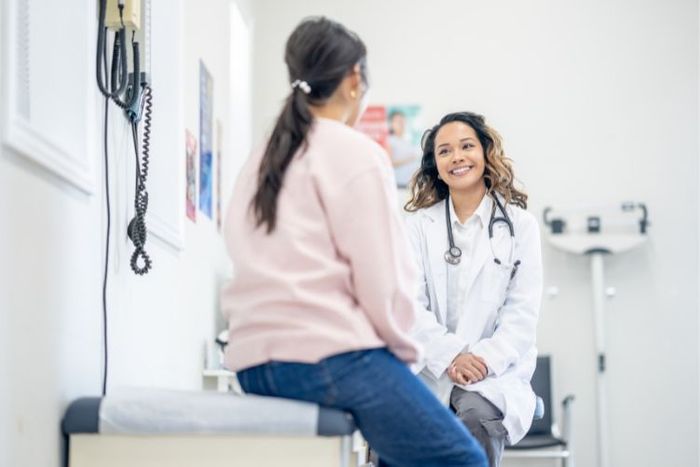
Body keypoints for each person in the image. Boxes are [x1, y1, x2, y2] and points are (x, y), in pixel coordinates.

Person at [220, 18, 487, 467]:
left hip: (251, 365)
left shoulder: (262, 157)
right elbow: (384, 285)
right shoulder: (355, 152)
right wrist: (403, 361)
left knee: (394, 456)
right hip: (329, 360)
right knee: (464, 459)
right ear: (354, 79)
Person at [404, 111, 543, 467]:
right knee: (397, 428)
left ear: (485, 153)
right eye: (445, 151)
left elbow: (522, 315)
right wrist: (451, 356)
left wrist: (480, 362)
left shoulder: (519, 227)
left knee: (474, 422)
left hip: (493, 373)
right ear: (435, 165)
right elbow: (408, 306)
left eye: (467, 146)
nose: (457, 157)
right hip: (430, 367)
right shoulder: (417, 227)